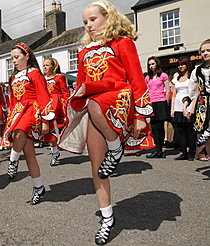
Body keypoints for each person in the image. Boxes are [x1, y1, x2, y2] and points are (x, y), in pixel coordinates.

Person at [58, 1, 152, 244]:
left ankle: (115, 146)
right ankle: (108, 218)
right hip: (95, 107)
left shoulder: (123, 43)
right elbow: (82, 84)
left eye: (92, 19)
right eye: (85, 22)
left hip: (118, 99)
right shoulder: (83, 52)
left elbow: (136, 77)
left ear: (107, 17)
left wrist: (142, 114)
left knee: (94, 104)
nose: (88, 25)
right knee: (97, 166)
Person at [3, 42, 57, 205]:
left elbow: (43, 96)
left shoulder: (35, 74)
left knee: (19, 132)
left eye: (17, 57)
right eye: (12, 58)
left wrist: (46, 121)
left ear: (27, 56)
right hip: (17, 112)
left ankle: (12, 160)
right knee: (29, 155)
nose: (14, 61)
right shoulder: (13, 78)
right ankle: (38, 187)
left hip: (32, 111)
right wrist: (10, 118)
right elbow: (12, 101)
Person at [183, 39, 210, 149]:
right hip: (203, 103)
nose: (205, 53)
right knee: (203, 133)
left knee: (206, 133)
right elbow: (192, 91)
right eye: (203, 51)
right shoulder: (197, 71)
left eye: (208, 50)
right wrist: (186, 107)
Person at [43, 57, 69, 166]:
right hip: (46, 105)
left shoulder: (59, 77)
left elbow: (65, 92)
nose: (45, 67)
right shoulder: (42, 79)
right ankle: (55, 151)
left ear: (54, 66)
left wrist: (65, 106)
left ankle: (55, 152)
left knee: (53, 128)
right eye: (44, 65)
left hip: (56, 105)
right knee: (48, 129)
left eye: (47, 65)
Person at [170, 57, 195, 161]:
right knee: (181, 130)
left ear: (187, 65)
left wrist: (192, 107)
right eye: (179, 65)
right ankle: (183, 153)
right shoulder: (176, 79)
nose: (180, 67)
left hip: (189, 105)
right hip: (178, 107)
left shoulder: (192, 77)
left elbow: (195, 92)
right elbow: (174, 95)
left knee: (190, 130)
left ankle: (191, 153)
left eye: (182, 64)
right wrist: (172, 109)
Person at [145, 56, 171, 158]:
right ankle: (157, 150)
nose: (151, 66)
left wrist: (167, 103)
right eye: (149, 64)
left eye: (153, 64)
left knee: (161, 126)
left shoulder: (163, 75)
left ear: (157, 64)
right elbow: (146, 92)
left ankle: (161, 150)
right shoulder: (148, 77)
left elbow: (168, 90)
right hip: (152, 103)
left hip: (161, 102)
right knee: (154, 127)